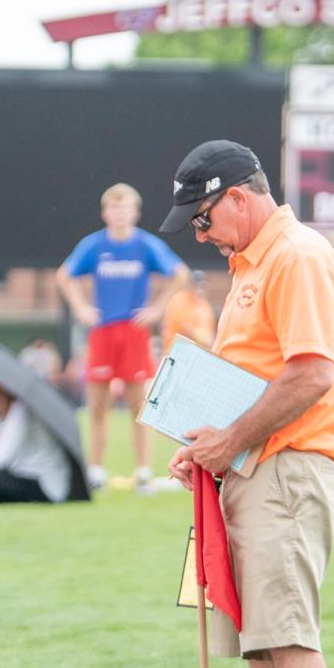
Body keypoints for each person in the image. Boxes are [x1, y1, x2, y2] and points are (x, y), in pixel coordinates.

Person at [160, 139, 334, 668]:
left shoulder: (296, 256)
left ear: (238, 197)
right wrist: (207, 445)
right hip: (252, 463)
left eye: (205, 219)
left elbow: (309, 375)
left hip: (290, 463)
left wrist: (231, 438)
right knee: (259, 638)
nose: (203, 235)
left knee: (289, 632)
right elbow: (257, 372)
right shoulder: (253, 263)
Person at [56, 183, 189, 494]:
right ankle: (96, 470)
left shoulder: (145, 245)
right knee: (98, 405)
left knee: (138, 405)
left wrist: (157, 308)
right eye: (115, 208)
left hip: (133, 331)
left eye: (125, 208)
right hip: (102, 331)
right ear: (105, 213)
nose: (120, 214)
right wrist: (80, 307)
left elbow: (179, 274)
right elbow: (65, 275)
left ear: (135, 212)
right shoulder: (94, 245)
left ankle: (143, 472)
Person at [0, 374, 71, 503]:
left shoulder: (21, 410)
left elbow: (1, 456)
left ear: (6, 392)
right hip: (24, 477)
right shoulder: (3, 418)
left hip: (44, 486)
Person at [161, 269, 217, 355]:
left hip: (197, 354)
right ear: (190, 285)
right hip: (176, 352)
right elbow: (183, 327)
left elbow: (210, 330)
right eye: (196, 285)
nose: (199, 288)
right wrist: (202, 337)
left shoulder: (205, 305)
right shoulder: (179, 299)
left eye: (202, 285)